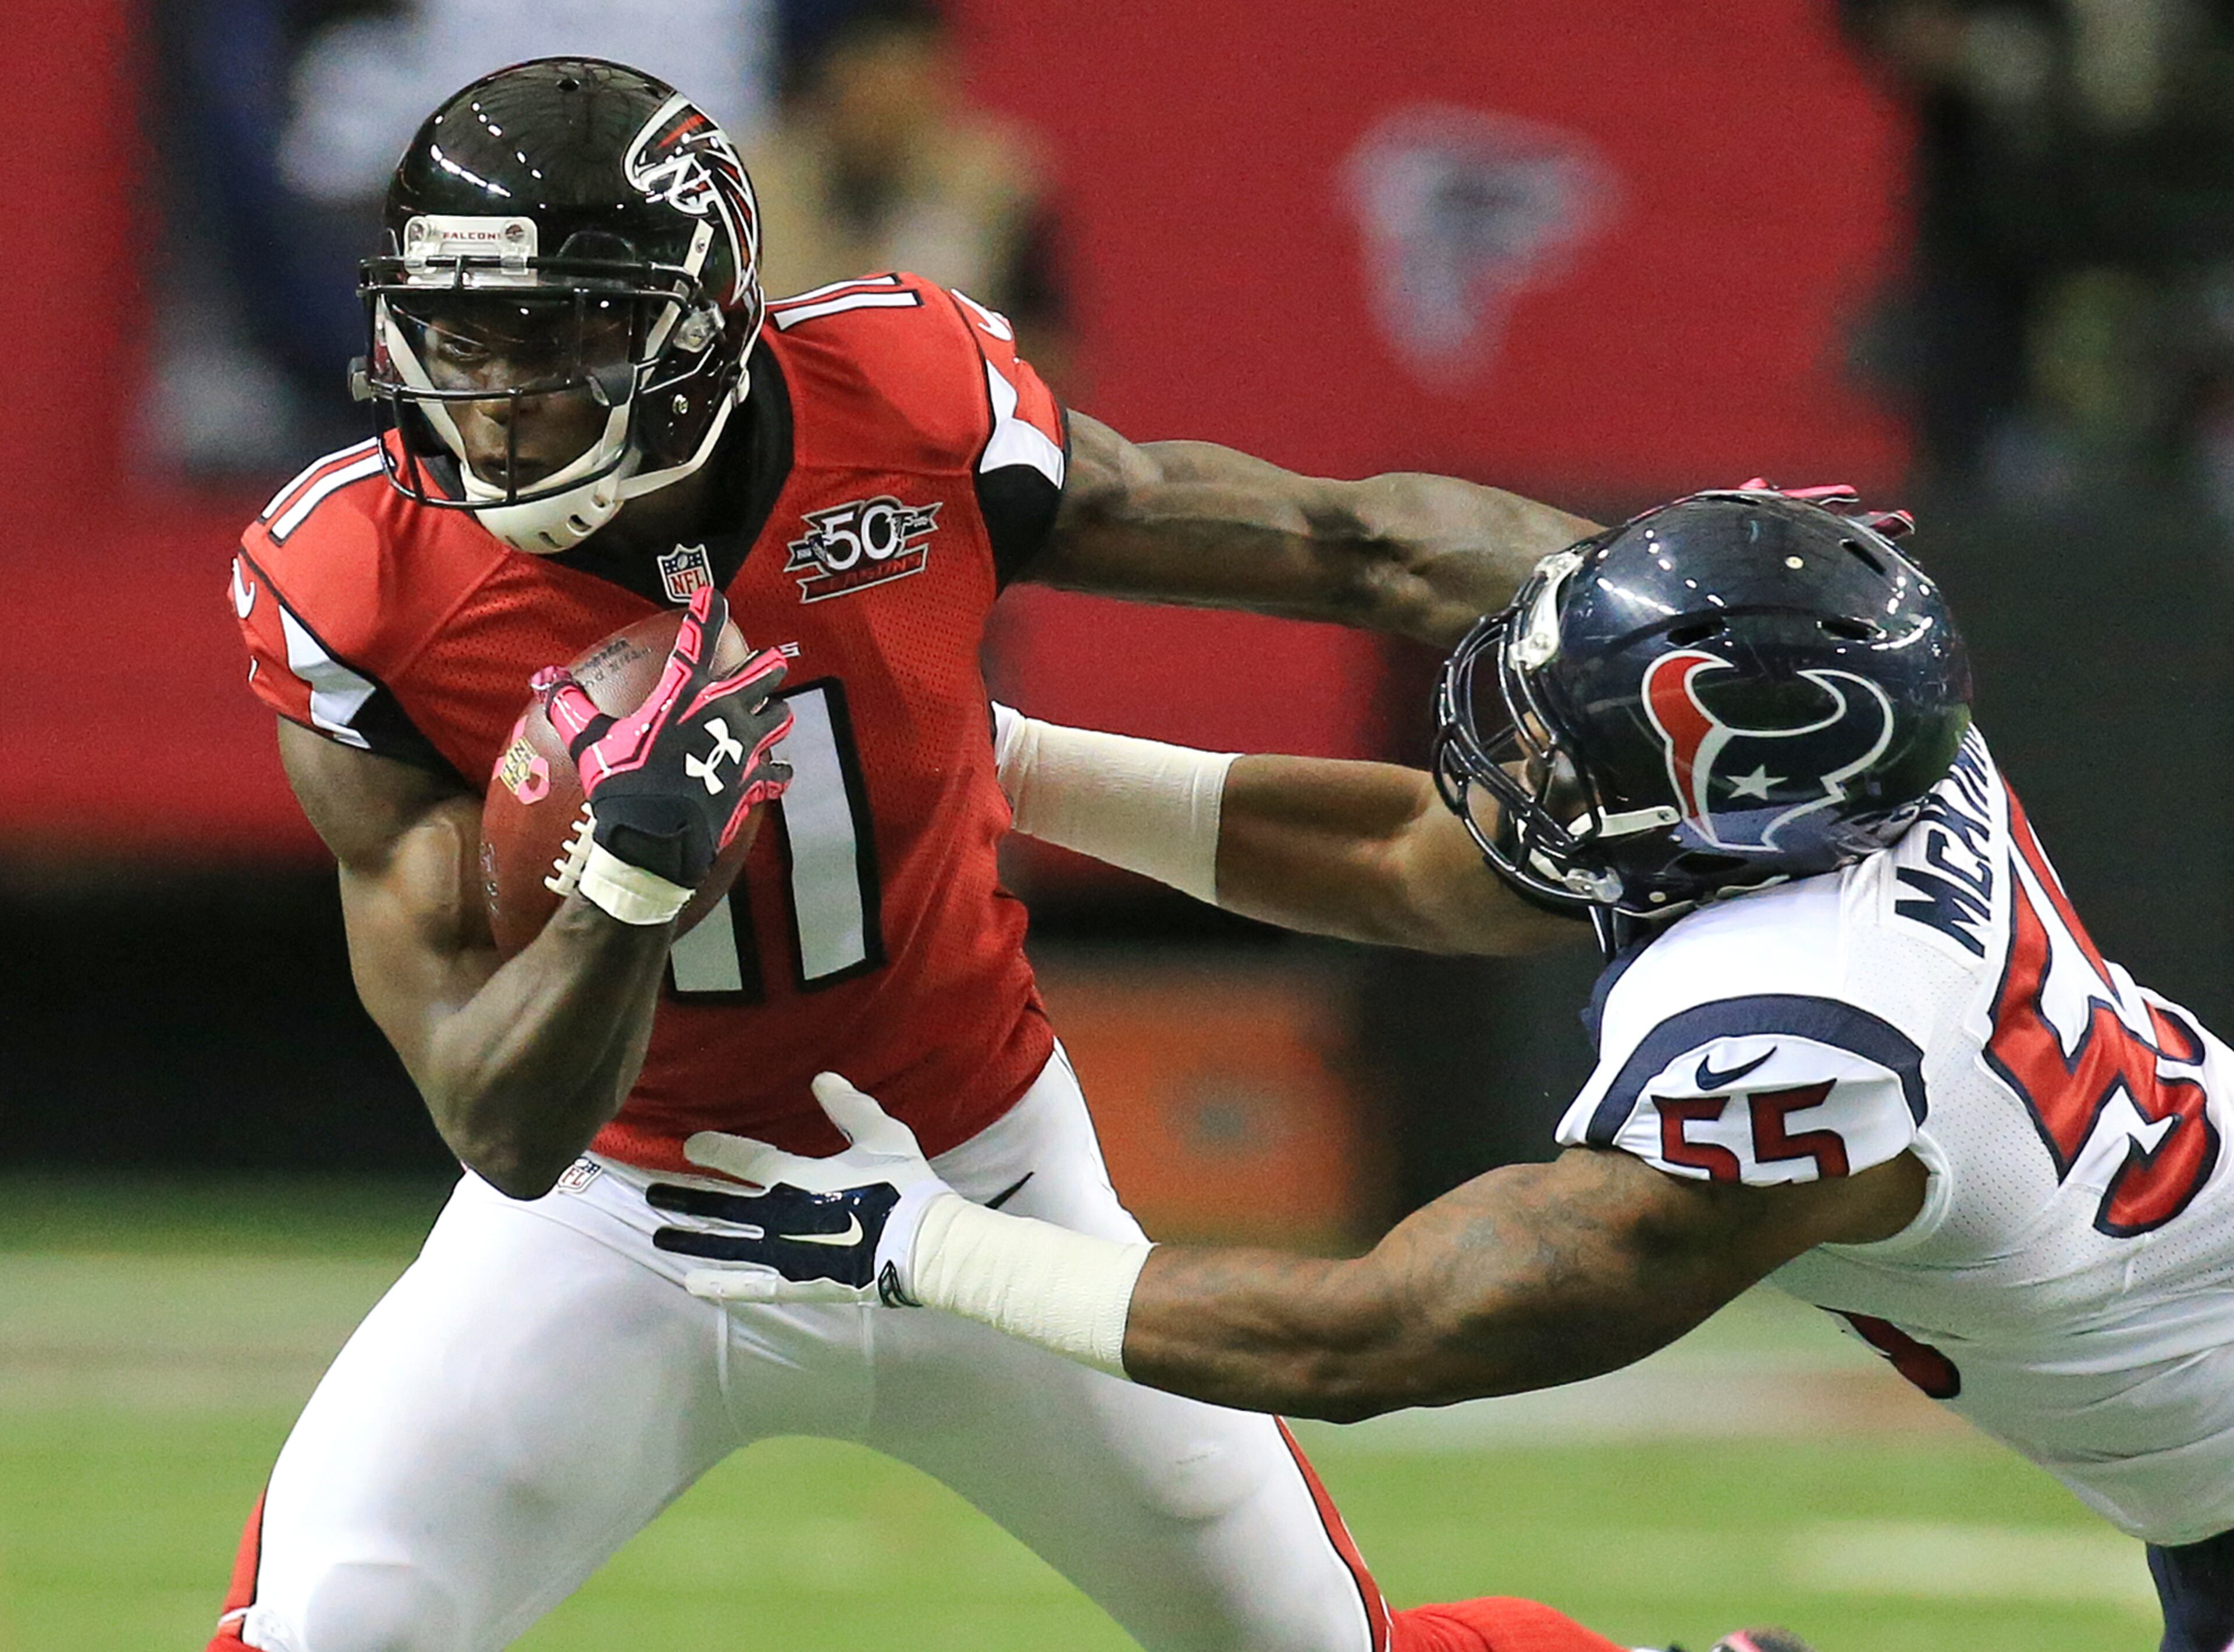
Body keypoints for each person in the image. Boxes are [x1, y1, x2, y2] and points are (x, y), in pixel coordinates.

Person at [209, 51, 1756, 1652]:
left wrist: (1685, 597)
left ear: (701, 320)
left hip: (983, 1173)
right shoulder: (360, 581)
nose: (501, 396)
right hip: (620, 1219)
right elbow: (501, 1123)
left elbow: (1335, 538)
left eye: (561, 333)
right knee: (326, 1636)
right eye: (463, 333)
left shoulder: (900, 400)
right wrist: (627, 891)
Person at [660, 483, 2234, 1652]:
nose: (1517, 753)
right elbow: (1421, 851)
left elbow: (1381, 1336)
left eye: (1570, 746)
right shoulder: (1875, 746)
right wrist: (992, 759)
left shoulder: (1799, 1029)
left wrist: (917, 1242)